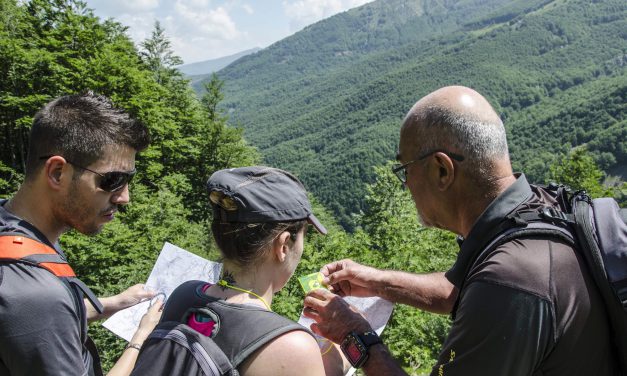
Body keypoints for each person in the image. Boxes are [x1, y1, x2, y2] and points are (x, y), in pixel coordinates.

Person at [303, 86, 617, 375]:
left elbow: (492, 290)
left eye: (405, 170)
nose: (406, 184)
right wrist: (375, 281)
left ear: (442, 170)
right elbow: (458, 291)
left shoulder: (509, 280)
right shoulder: (535, 211)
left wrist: (355, 336)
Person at [0, 92, 163, 376]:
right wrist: (139, 339)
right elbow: (41, 314)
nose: (124, 197)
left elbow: (38, 323)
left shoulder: (12, 226)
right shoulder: (38, 297)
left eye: (129, 180)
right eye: (113, 180)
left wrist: (111, 304)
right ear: (57, 173)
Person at [132, 166, 347, 376]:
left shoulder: (183, 296)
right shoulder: (292, 345)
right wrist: (348, 338)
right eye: (303, 236)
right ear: (283, 245)